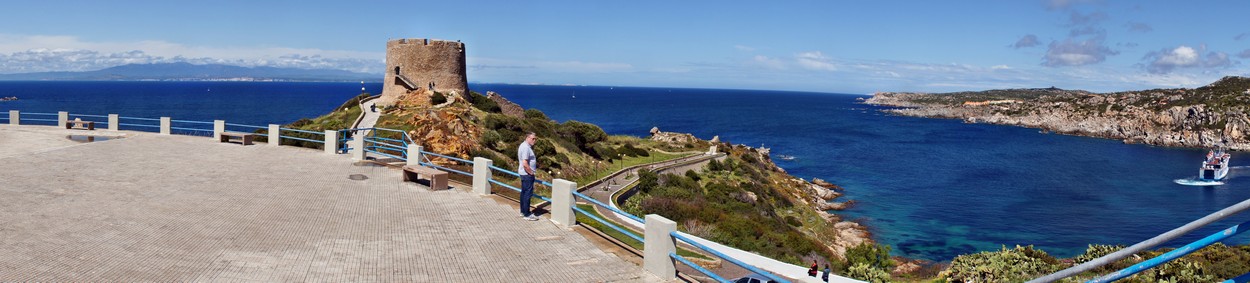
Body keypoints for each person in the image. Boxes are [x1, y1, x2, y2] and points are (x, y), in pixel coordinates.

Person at [517, 132, 539, 221]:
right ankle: (527, 214)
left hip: (523, 173)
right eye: (533, 138)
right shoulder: (526, 148)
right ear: (527, 138)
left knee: (524, 192)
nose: (534, 140)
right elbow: (525, 163)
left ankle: (523, 211)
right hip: (527, 174)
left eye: (535, 139)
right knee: (527, 194)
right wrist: (531, 173)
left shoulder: (523, 145)